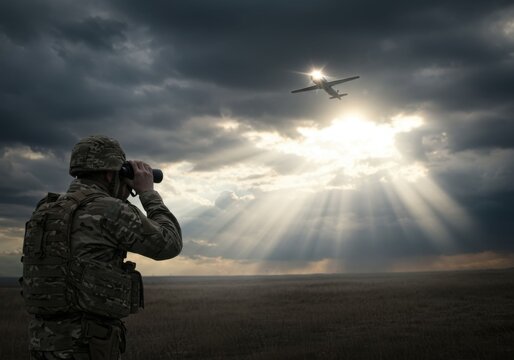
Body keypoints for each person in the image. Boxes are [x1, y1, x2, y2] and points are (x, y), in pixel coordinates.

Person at [20, 135, 182, 359]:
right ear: (110, 174)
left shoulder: (45, 209)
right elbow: (170, 244)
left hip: (43, 342)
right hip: (87, 345)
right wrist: (148, 193)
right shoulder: (109, 209)